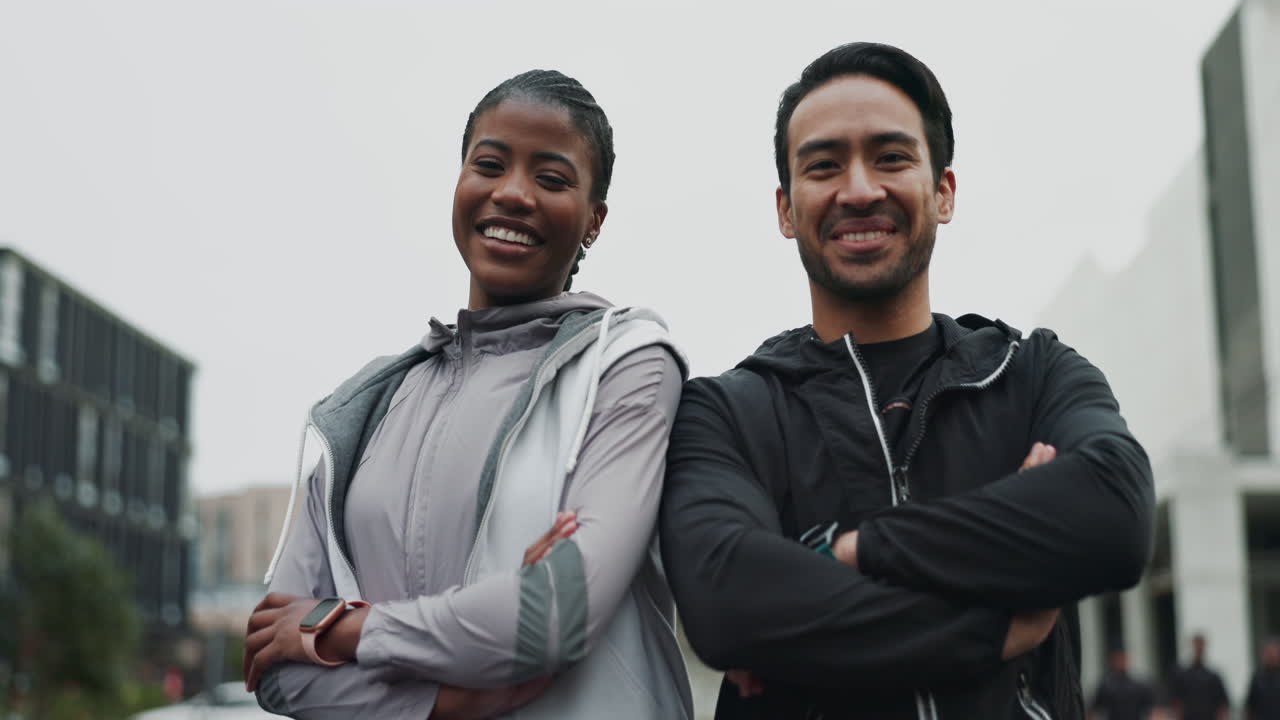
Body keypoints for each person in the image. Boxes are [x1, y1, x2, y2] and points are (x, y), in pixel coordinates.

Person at [660, 41, 1155, 719]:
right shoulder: (724, 413)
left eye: (891, 158)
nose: (860, 190)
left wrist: (849, 555)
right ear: (785, 209)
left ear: (942, 192)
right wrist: (993, 623)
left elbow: (1114, 518)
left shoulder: (1033, 372)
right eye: (825, 165)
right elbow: (726, 604)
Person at [241, 69, 693, 719]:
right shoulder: (363, 407)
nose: (512, 193)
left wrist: (344, 628)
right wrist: (449, 702)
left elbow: (552, 618)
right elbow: (273, 665)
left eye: (551, 177)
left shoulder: (625, 365)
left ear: (593, 221)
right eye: (489, 164)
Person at [1168, 634, 1230, 720]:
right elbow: (1176, 702)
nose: (1199, 649)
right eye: (1197, 645)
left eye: (1201, 646)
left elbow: (1222, 704)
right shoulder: (1182, 676)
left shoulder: (1213, 677)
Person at [1090, 648, 1155, 720]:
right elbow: (1095, 709)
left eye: (1122, 659)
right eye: (1118, 660)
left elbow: (1151, 709)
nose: (1121, 663)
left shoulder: (1138, 686)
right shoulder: (1106, 686)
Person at [1247, 638, 1280, 720]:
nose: (1272, 656)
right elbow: (1250, 706)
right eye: (1269, 653)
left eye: (1274, 653)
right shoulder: (1258, 678)